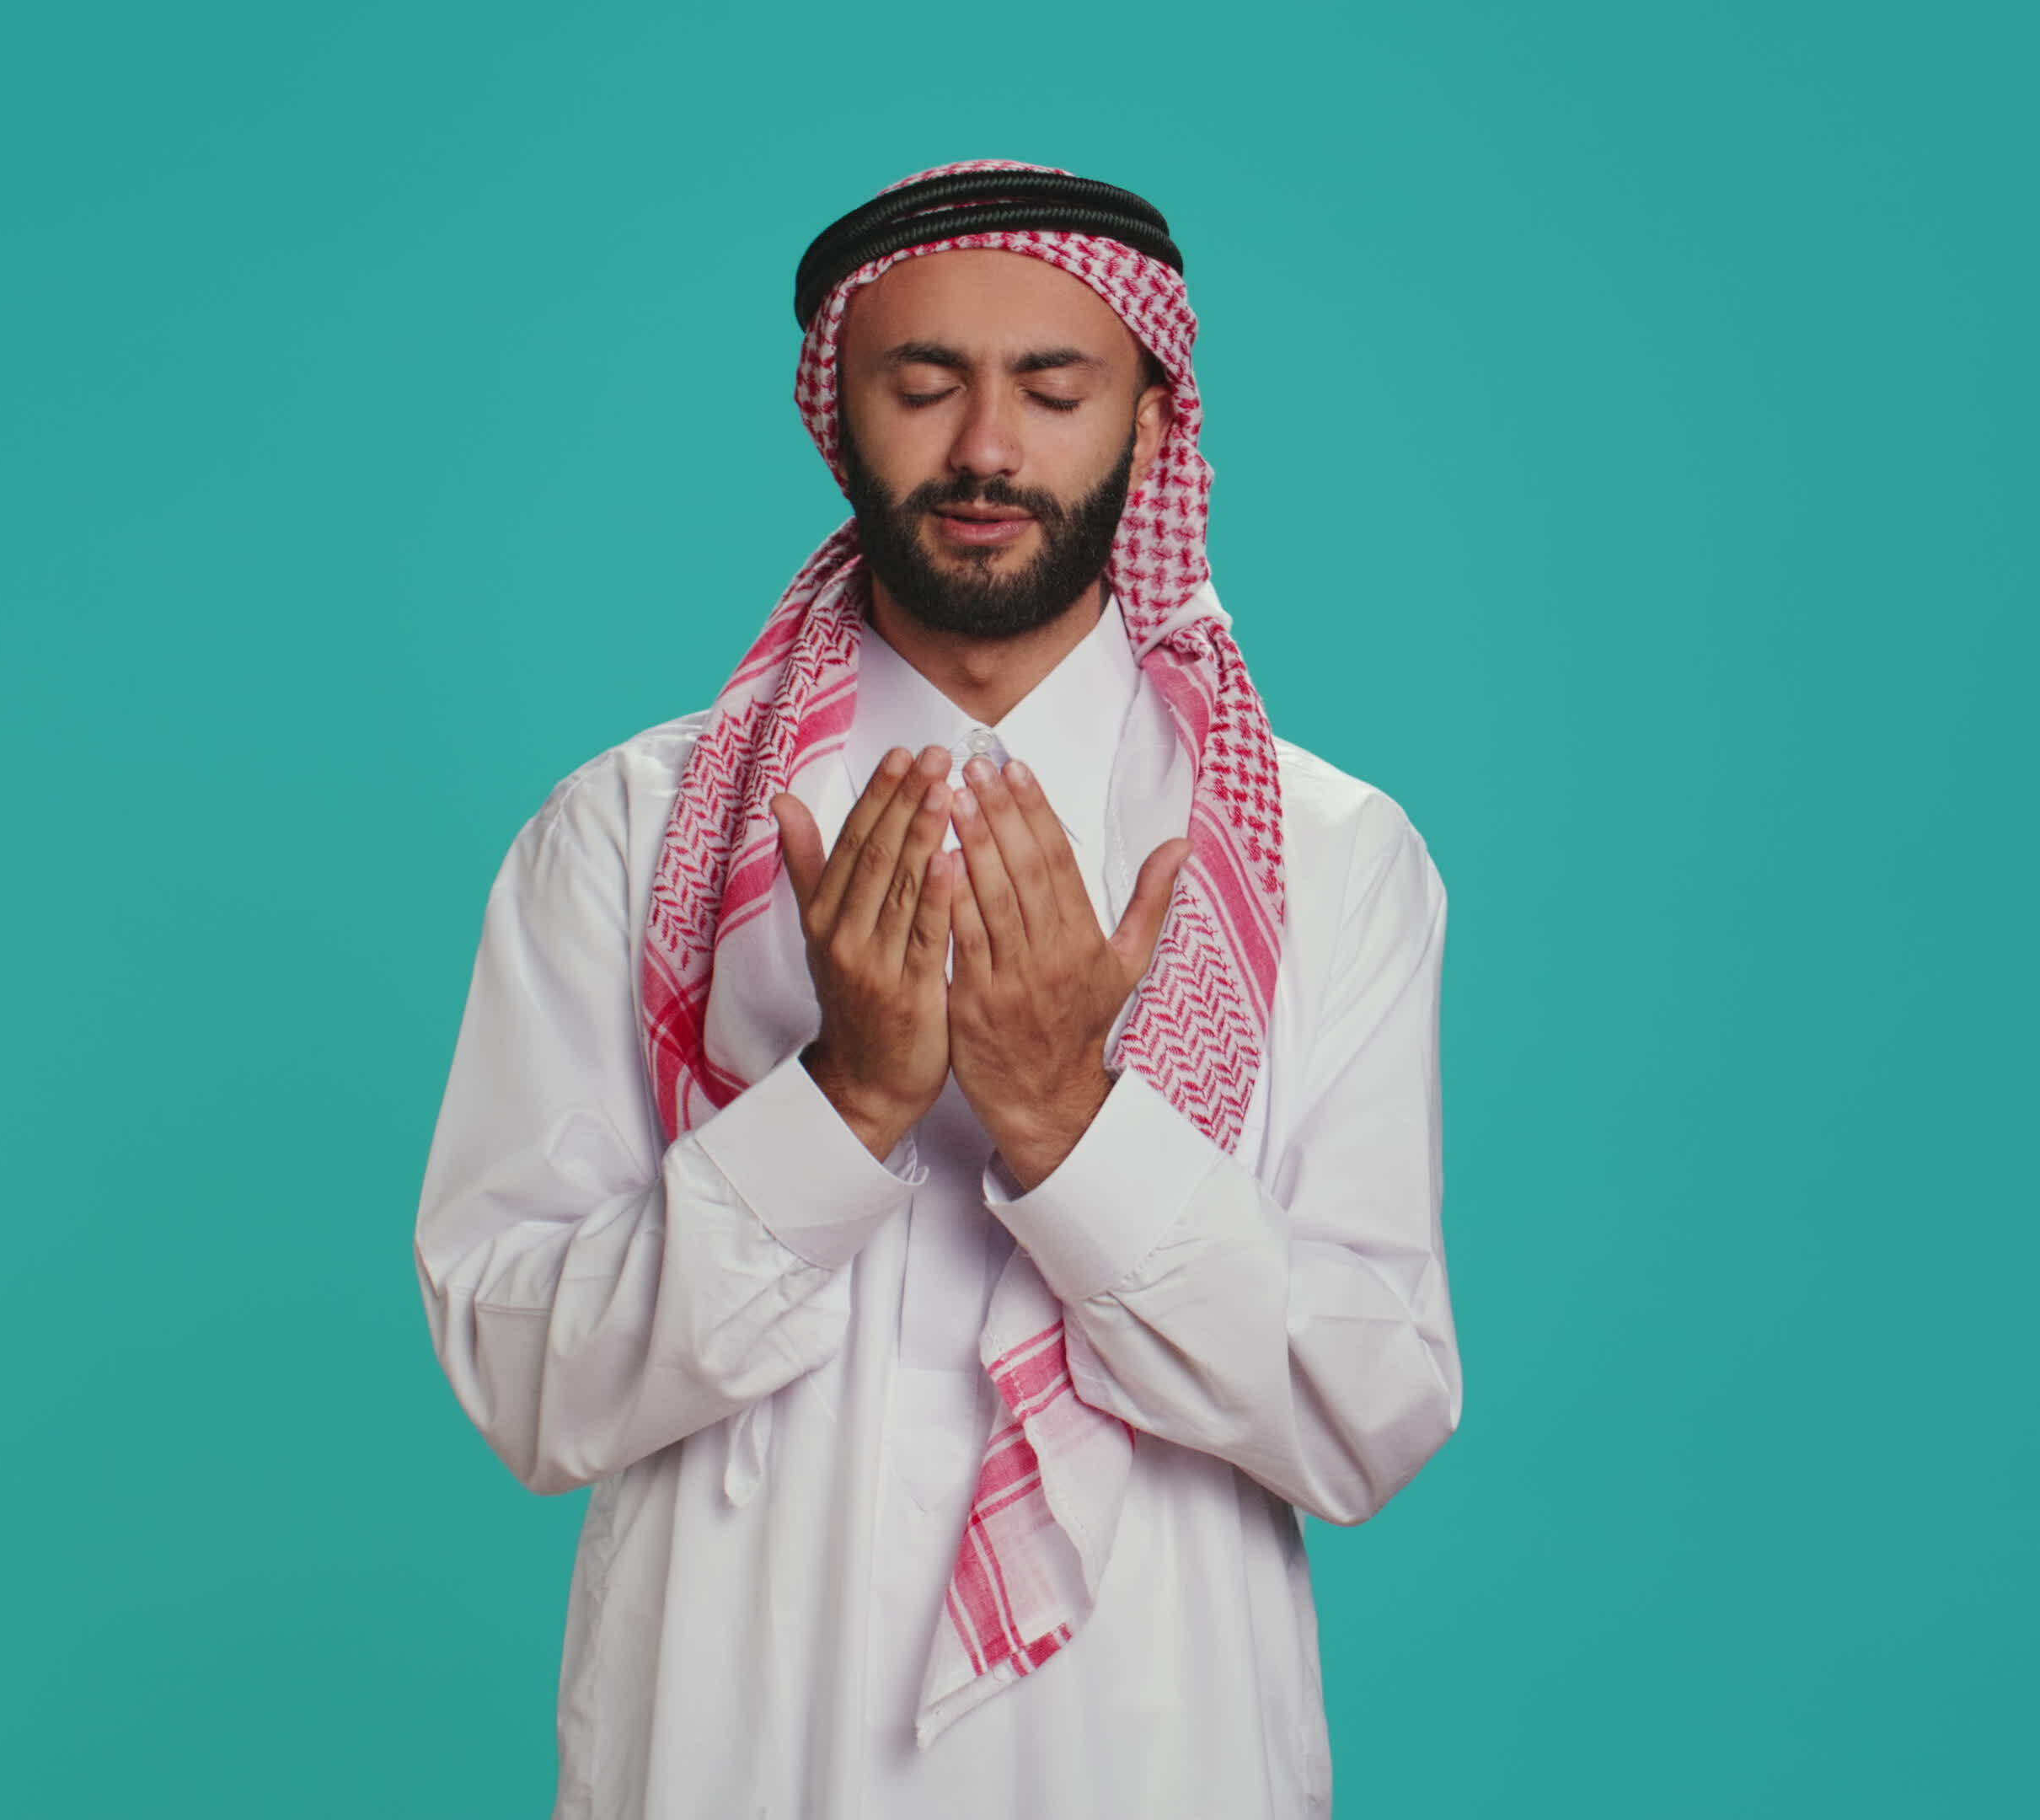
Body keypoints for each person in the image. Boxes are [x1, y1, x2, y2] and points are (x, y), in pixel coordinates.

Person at [411, 159, 1462, 1819]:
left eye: (1054, 388)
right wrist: (840, 1110)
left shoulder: (1331, 862)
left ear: (1153, 420)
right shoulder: (625, 836)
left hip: (1157, 1750)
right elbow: (531, 1386)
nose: (987, 449)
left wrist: (1068, 1121)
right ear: (839, 417)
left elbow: (1366, 1410)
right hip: (726, 1741)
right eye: (925, 384)